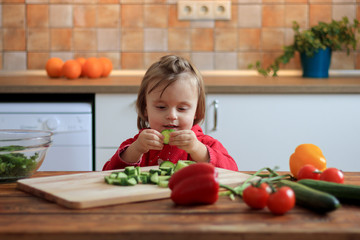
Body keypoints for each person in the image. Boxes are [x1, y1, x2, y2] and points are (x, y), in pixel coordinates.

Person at [102, 55, 238, 171]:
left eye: (182, 108)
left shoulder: (205, 144)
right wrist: (136, 149)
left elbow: (232, 171)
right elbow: (107, 173)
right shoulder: (138, 144)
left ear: (196, 111)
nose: (172, 116)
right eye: (161, 107)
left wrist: (197, 149)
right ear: (145, 108)